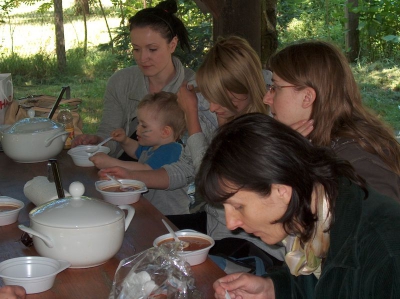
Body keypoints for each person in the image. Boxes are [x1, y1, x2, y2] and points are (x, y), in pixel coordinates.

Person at [99, 36, 304, 266]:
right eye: (208, 96)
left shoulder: (273, 119)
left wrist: (192, 117)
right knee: (143, 233)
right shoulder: (209, 107)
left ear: (247, 89)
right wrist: (132, 175)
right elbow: (185, 170)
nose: (213, 107)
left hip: (255, 243)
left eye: (224, 100)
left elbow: (211, 181)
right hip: (216, 224)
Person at [196, 113, 400, 299]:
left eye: (238, 206)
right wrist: (273, 288)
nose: (231, 224)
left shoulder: (385, 250)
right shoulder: (312, 217)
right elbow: (314, 283)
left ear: (281, 191)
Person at [72, 0, 216, 160]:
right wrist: (98, 142)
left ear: (172, 44)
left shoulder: (195, 88)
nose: (143, 58)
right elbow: (109, 135)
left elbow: (200, 157)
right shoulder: (121, 82)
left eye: (152, 49)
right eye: (136, 49)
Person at [263, 40, 400, 201]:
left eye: (275, 88)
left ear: (307, 97)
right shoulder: (318, 146)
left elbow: (385, 221)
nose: (267, 99)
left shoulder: (356, 161)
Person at [90, 91, 190, 215]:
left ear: (165, 132)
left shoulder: (172, 150)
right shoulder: (153, 146)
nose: (137, 129)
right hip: (153, 210)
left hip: (170, 216)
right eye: (138, 123)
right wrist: (124, 140)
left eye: (143, 125)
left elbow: (146, 169)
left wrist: (111, 163)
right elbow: (136, 151)